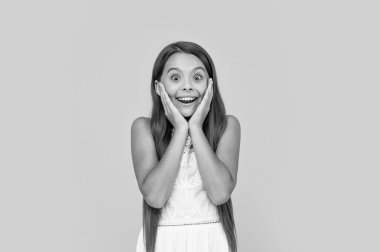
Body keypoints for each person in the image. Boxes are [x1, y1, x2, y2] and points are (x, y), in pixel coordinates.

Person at [131, 41, 241, 252]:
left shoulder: (228, 126)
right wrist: (181, 129)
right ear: (158, 87)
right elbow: (155, 197)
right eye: (175, 78)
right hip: (163, 243)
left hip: (212, 242)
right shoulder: (143, 129)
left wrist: (196, 128)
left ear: (210, 85)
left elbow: (220, 194)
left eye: (197, 77)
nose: (187, 86)